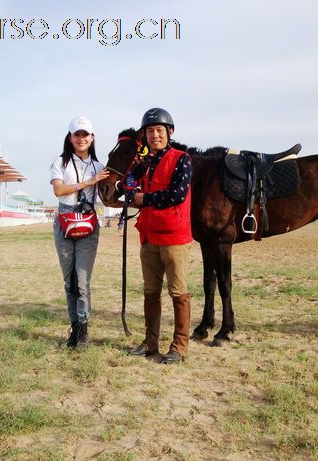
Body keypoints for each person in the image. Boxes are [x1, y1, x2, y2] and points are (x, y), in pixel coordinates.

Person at [128, 108, 194, 364]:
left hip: (174, 236)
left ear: (170, 132)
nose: (154, 135)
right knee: (150, 291)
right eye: (149, 131)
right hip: (148, 235)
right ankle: (150, 342)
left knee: (178, 292)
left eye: (159, 130)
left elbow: (177, 194)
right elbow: (129, 185)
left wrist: (146, 199)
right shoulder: (145, 163)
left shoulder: (182, 159)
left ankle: (179, 346)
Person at [50, 116, 109, 349]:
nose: (81, 138)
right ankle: (74, 330)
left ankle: (83, 333)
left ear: (92, 138)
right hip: (64, 222)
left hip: (88, 224)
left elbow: (106, 195)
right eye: (77, 134)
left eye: (85, 134)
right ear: (70, 137)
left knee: (82, 281)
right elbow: (58, 190)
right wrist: (87, 182)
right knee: (69, 281)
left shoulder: (100, 166)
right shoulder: (60, 162)